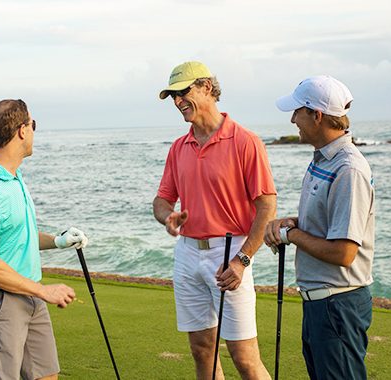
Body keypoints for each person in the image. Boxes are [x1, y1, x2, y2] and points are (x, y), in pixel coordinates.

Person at [153, 61, 276, 380]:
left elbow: (266, 207)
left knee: (244, 356)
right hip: (187, 252)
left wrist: (242, 261)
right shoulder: (179, 147)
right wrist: (169, 218)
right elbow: (162, 200)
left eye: (183, 92)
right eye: (173, 97)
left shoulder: (245, 141)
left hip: (229, 254)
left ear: (207, 87)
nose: (178, 102)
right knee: (201, 351)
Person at [0, 99, 89, 380]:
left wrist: (58, 241)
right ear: (21, 130)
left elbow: (18, 237)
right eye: (33, 125)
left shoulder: (13, 179)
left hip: (29, 296)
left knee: (47, 376)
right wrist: (44, 291)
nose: (33, 131)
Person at [264, 76, 375, 379]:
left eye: (297, 111)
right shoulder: (322, 161)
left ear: (317, 115)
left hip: (338, 303)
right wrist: (294, 223)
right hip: (321, 301)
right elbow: (329, 224)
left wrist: (291, 234)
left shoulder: (348, 169)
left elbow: (344, 252)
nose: (292, 120)